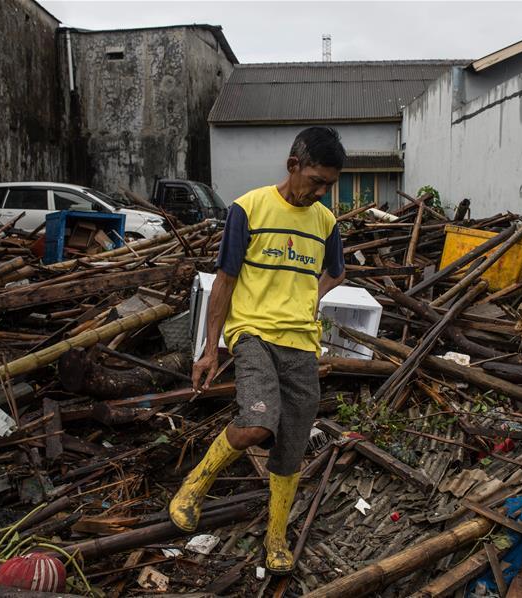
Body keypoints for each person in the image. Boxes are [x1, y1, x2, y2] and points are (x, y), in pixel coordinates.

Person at [169, 127, 347, 574]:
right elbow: (224, 281)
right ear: (293, 166)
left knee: (290, 446)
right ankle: (194, 485)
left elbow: (336, 273)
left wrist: (310, 299)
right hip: (252, 334)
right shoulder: (248, 209)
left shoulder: (325, 221)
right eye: (316, 181)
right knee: (257, 424)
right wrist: (210, 350)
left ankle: (275, 537)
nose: (321, 192)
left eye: (329, 185)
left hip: (301, 344)